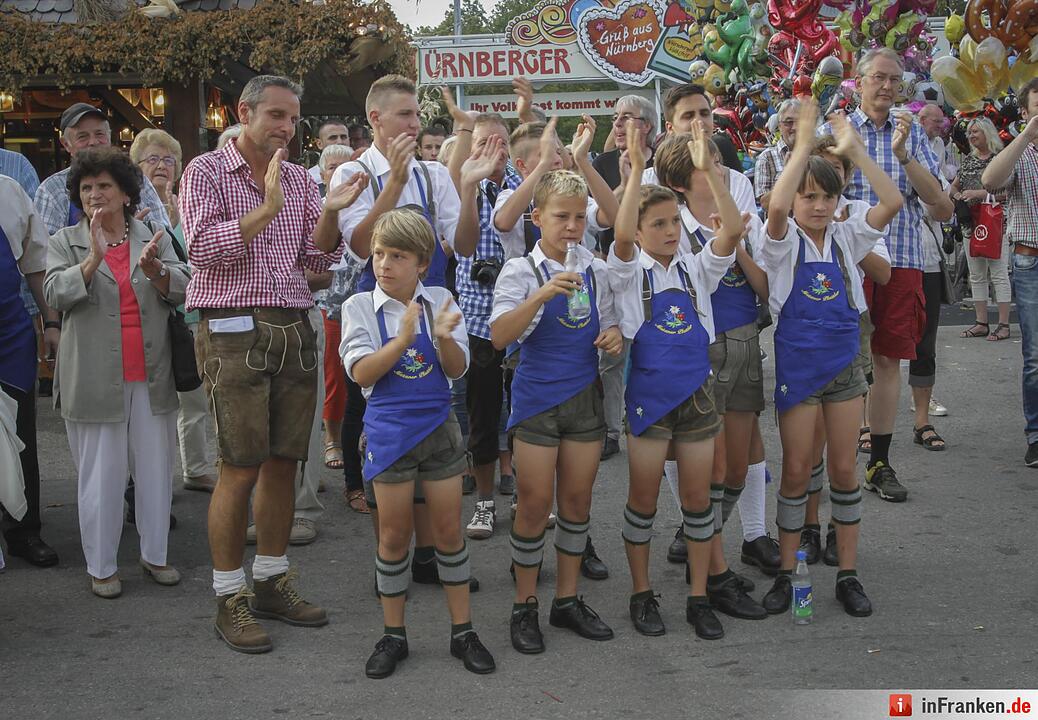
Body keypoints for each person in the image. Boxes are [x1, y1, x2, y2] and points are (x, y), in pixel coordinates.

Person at [180, 75, 368, 653]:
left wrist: (330, 211)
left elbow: (318, 259)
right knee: (239, 467)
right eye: (276, 116)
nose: (287, 128)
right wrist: (266, 209)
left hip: (292, 323)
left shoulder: (299, 179)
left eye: (293, 118)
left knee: (286, 462)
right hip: (231, 327)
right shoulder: (205, 171)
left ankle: (269, 580)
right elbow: (202, 248)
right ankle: (228, 596)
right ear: (244, 112)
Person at [761, 101, 901, 617]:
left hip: (843, 367)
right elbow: (777, 210)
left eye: (827, 197)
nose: (818, 206)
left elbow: (892, 200)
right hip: (799, 369)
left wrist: (855, 151)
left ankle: (848, 574)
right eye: (809, 197)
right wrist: (802, 147)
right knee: (798, 470)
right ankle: (787, 572)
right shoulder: (781, 243)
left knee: (844, 468)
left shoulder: (846, 234)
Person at [342, 208, 494, 678]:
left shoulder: (441, 299)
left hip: (439, 430)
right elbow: (361, 373)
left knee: (448, 533)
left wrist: (443, 337)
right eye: (379, 254)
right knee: (393, 536)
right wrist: (401, 339)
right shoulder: (359, 306)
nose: (384, 264)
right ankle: (393, 635)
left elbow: (457, 369)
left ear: (422, 264)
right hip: (388, 434)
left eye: (398, 256)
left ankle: (463, 631)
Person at [611, 119, 745, 638]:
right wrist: (637, 171)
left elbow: (730, 232)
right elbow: (621, 237)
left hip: (697, 398)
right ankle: (641, 593)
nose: (670, 231)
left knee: (699, 501)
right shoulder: (628, 271)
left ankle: (698, 597)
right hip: (649, 399)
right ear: (640, 230)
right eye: (659, 224)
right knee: (643, 502)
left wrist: (709, 169)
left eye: (674, 222)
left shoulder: (695, 268)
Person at [44, 146, 191, 598]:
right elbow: (53, 294)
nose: (95, 194)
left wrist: (158, 272)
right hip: (91, 377)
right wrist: (91, 259)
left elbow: (186, 286)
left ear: (126, 193)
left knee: (155, 470)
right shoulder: (65, 240)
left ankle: (155, 555)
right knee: (101, 477)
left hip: (152, 372)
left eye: (104, 186)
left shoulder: (152, 235)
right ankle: (102, 566)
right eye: (87, 187)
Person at [490, 168, 623, 654]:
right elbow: (499, 336)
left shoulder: (596, 268)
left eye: (580, 217)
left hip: (584, 399)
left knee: (576, 504)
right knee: (532, 505)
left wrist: (614, 338)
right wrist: (542, 294)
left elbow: (612, 326)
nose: (572, 226)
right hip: (537, 402)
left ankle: (566, 601)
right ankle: (524, 605)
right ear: (537, 218)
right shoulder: (520, 271)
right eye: (561, 216)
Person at [820, 48, 952, 504]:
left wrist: (904, 155)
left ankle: (879, 462)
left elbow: (941, 206)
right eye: (878, 77)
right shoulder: (835, 131)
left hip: (903, 257)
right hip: (846, 261)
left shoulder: (909, 133)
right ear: (859, 81)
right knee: (840, 359)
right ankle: (831, 465)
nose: (887, 86)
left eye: (895, 80)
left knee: (889, 359)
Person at [444, 109, 524, 536]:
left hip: (522, 317)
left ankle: (527, 497)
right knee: (482, 413)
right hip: (478, 318)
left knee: (526, 414)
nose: (494, 150)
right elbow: (463, 246)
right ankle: (485, 502)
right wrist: (470, 187)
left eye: (501, 142)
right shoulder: (461, 185)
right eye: (483, 143)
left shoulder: (524, 182)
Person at [130, 128, 216, 493]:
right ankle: (164, 479)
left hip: (195, 314)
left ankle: (197, 467)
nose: (162, 165)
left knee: (200, 397)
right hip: (153, 320)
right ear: (136, 166)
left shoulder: (190, 205)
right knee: (165, 405)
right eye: (152, 159)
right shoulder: (132, 211)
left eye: (169, 159)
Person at [0, 175, 59, 569]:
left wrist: (51, 323)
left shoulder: (8, 191)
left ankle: (24, 532)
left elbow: (37, 266)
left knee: (21, 436)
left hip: (9, 336)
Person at [981, 77, 1038, 467]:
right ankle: (1036, 434)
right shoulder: (1020, 154)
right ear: (1024, 113)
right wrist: (1027, 135)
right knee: (1035, 355)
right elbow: (990, 180)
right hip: (1030, 260)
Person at [35, 103, 170, 235]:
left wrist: (139, 234)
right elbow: (47, 247)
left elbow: (165, 235)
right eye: (83, 137)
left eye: (99, 134)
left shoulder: (137, 180)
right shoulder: (52, 190)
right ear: (66, 144)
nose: (93, 142)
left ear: (109, 137)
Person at [953, 117, 1010, 342]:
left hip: (995, 223)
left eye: (976, 131)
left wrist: (979, 194)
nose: (971, 136)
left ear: (988, 133)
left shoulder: (1001, 159)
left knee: (999, 273)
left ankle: (1004, 324)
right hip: (972, 223)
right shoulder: (969, 160)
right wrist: (958, 196)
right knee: (976, 274)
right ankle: (981, 322)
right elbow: (954, 186)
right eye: (970, 132)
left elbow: (1009, 192)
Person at [592, 95, 657, 190]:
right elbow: (596, 200)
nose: (617, 123)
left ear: (646, 126)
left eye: (626, 117)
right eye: (615, 117)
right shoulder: (602, 164)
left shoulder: (662, 162)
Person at [755, 99, 800, 212]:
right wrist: (788, 177)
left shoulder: (815, 152)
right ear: (779, 126)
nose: (795, 127)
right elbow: (765, 204)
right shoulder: (766, 157)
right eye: (789, 122)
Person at [307, 119, 350, 186]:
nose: (340, 142)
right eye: (333, 138)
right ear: (319, 144)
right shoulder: (309, 178)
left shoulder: (360, 171)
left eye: (343, 137)